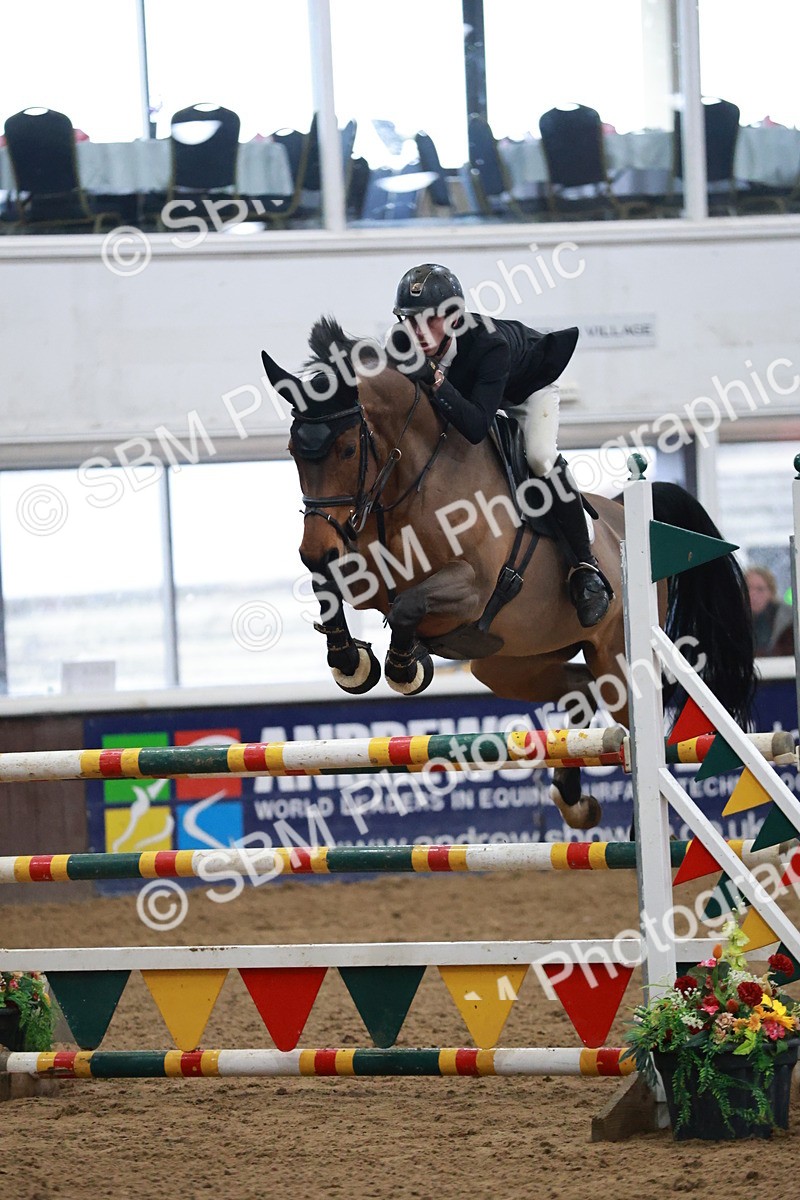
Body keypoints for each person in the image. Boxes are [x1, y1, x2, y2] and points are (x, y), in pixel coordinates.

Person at [390, 262, 612, 627]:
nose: (418, 333)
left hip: (525, 390)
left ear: (452, 318)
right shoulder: (400, 344)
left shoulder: (488, 345)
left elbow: (477, 425)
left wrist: (434, 381)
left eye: (429, 320)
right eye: (409, 321)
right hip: (471, 392)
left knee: (539, 457)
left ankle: (585, 566)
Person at [746, 566, 794, 656]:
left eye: (760, 589)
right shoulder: (734, 619)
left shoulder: (789, 622)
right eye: (748, 588)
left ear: (771, 592)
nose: (752, 594)